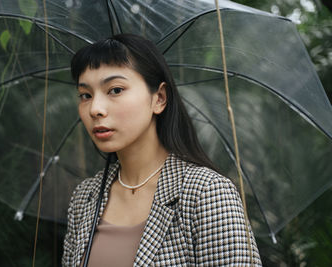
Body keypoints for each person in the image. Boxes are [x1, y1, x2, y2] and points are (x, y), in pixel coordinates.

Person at [62, 34, 262, 266]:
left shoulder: (206, 193)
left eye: (115, 90)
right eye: (85, 95)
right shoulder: (85, 198)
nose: (95, 109)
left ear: (159, 98)